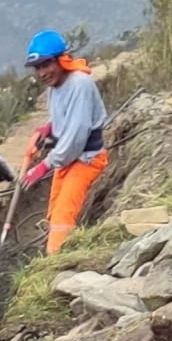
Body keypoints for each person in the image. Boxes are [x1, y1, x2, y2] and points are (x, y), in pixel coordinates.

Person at [22, 30, 109, 252]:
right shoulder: (55, 87)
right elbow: (64, 117)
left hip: (85, 159)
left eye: (47, 64)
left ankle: (56, 263)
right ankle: (53, 250)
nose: (42, 73)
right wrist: (49, 128)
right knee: (53, 211)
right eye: (38, 68)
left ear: (62, 59)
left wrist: (44, 165)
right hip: (68, 159)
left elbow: (76, 137)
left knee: (63, 216)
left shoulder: (79, 85)